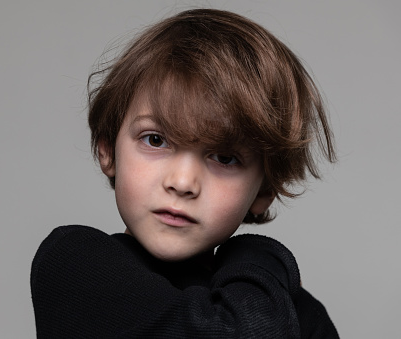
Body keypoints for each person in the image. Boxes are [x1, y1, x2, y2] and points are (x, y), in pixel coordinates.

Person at [31, 8, 339, 338]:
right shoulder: (75, 265)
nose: (182, 183)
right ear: (108, 149)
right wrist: (262, 256)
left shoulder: (285, 303)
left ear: (265, 191)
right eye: (155, 140)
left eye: (224, 157)